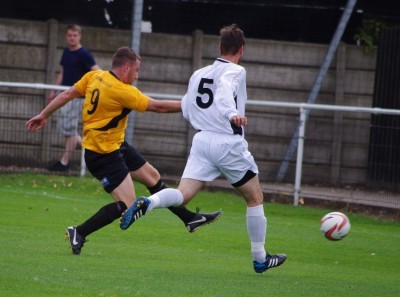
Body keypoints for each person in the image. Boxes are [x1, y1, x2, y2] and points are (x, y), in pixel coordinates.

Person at [120, 24, 287, 274]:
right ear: (241, 50)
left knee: (183, 195)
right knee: (254, 198)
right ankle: (260, 257)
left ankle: (149, 202)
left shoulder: (198, 73)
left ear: (219, 47)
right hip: (227, 142)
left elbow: (188, 108)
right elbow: (222, 94)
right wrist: (232, 114)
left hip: (202, 142)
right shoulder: (236, 70)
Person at [26, 46, 222, 255]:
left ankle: (190, 219)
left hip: (117, 145)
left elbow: (68, 93)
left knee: (153, 177)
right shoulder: (122, 91)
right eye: (136, 70)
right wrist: (192, 105)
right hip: (102, 155)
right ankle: (79, 231)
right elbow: (158, 107)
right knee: (128, 205)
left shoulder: (95, 76)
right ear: (126, 67)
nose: (137, 76)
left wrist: (44, 114)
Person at [47, 24, 100, 172]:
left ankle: (64, 163)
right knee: (66, 128)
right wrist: (53, 91)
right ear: (66, 36)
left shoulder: (84, 54)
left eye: (74, 35)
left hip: (77, 98)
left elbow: (98, 72)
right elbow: (62, 73)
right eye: (69, 35)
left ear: (79, 36)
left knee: (70, 129)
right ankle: (92, 149)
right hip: (64, 95)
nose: (72, 38)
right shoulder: (66, 53)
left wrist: (91, 90)